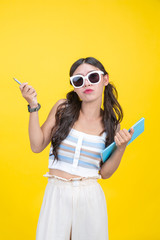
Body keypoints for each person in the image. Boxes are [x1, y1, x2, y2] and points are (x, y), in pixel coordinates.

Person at [19, 57, 134, 240]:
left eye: (93, 77)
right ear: (74, 87)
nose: (86, 83)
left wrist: (121, 148)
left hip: (90, 197)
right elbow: (37, 145)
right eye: (78, 80)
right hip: (57, 193)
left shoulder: (112, 125)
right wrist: (33, 106)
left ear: (105, 79)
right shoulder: (62, 109)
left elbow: (104, 173)